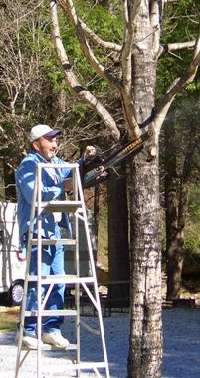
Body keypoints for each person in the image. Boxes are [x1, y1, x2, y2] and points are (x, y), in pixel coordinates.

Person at [15, 124, 96, 350]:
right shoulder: (29, 165)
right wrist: (63, 186)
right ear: (36, 144)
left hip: (55, 233)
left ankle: (52, 329)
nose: (55, 143)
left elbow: (71, 172)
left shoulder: (55, 163)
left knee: (58, 281)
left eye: (55, 139)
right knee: (37, 282)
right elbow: (36, 194)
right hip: (36, 232)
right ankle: (28, 331)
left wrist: (85, 161)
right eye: (49, 139)